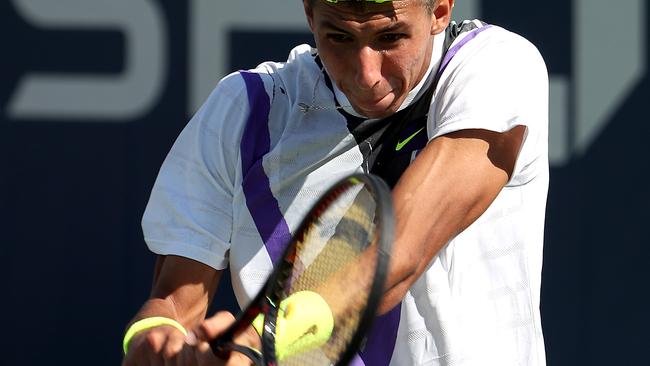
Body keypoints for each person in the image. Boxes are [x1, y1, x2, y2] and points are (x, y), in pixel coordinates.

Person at [122, 0, 549, 364]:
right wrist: (156, 341)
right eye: (340, 37)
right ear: (309, 14)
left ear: (439, 9)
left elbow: (398, 255)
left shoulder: (498, 68)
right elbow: (175, 302)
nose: (367, 74)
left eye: (390, 38)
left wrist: (257, 341)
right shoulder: (244, 110)